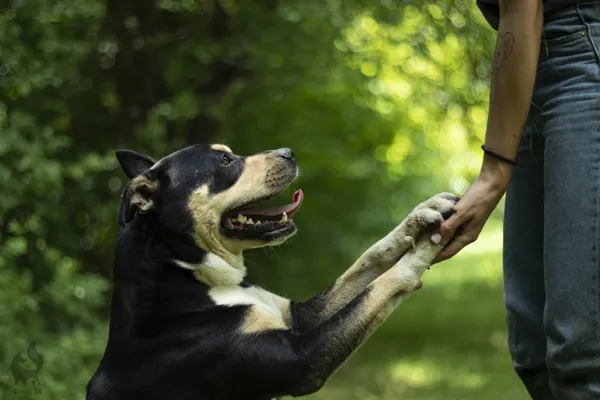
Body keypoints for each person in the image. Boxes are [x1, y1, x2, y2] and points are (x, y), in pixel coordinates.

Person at [431, 1, 600, 398]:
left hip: (585, 64)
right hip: (533, 71)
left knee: (583, 357)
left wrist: (493, 174)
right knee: (533, 353)